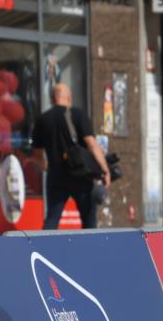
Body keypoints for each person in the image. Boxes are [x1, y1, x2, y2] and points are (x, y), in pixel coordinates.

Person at [32, 83, 110, 229]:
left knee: (52, 218)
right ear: (69, 97)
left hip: (56, 175)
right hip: (80, 174)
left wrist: (46, 165)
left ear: (52, 98)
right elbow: (92, 144)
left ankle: (43, 249)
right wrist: (105, 169)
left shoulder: (43, 119)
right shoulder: (78, 114)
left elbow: (37, 154)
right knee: (88, 218)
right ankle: (89, 251)